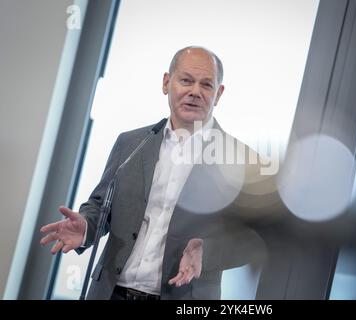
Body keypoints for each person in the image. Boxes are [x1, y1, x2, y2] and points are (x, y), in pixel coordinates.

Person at [40, 46, 268, 300]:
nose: (195, 91)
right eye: (186, 80)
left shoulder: (241, 161)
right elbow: (100, 206)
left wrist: (207, 251)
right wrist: (85, 227)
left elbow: (255, 240)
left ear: (218, 94)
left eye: (206, 84)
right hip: (109, 293)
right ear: (166, 83)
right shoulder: (132, 143)